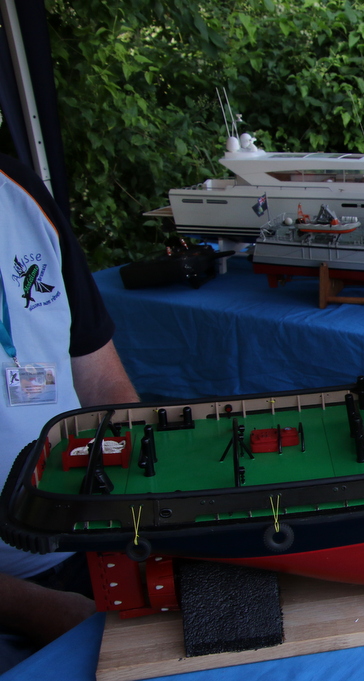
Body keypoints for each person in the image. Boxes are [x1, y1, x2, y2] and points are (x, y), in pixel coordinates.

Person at [0, 152, 139, 673]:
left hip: (94, 546)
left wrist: (143, 511)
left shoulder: (18, 189)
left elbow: (101, 380)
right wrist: (40, 611)